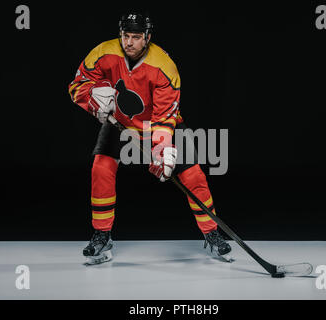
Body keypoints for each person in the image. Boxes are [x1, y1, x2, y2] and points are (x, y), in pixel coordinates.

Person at [68, 12, 232, 265]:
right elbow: (78, 84)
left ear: (147, 37)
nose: (129, 42)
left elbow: (165, 115)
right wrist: (92, 99)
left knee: (193, 175)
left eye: (136, 37)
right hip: (120, 123)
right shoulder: (103, 52)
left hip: (160, 124)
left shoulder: (164, 66)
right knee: (101, 168)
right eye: (125, 36)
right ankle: (102, 233)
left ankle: (211, 233)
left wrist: (162, 150)